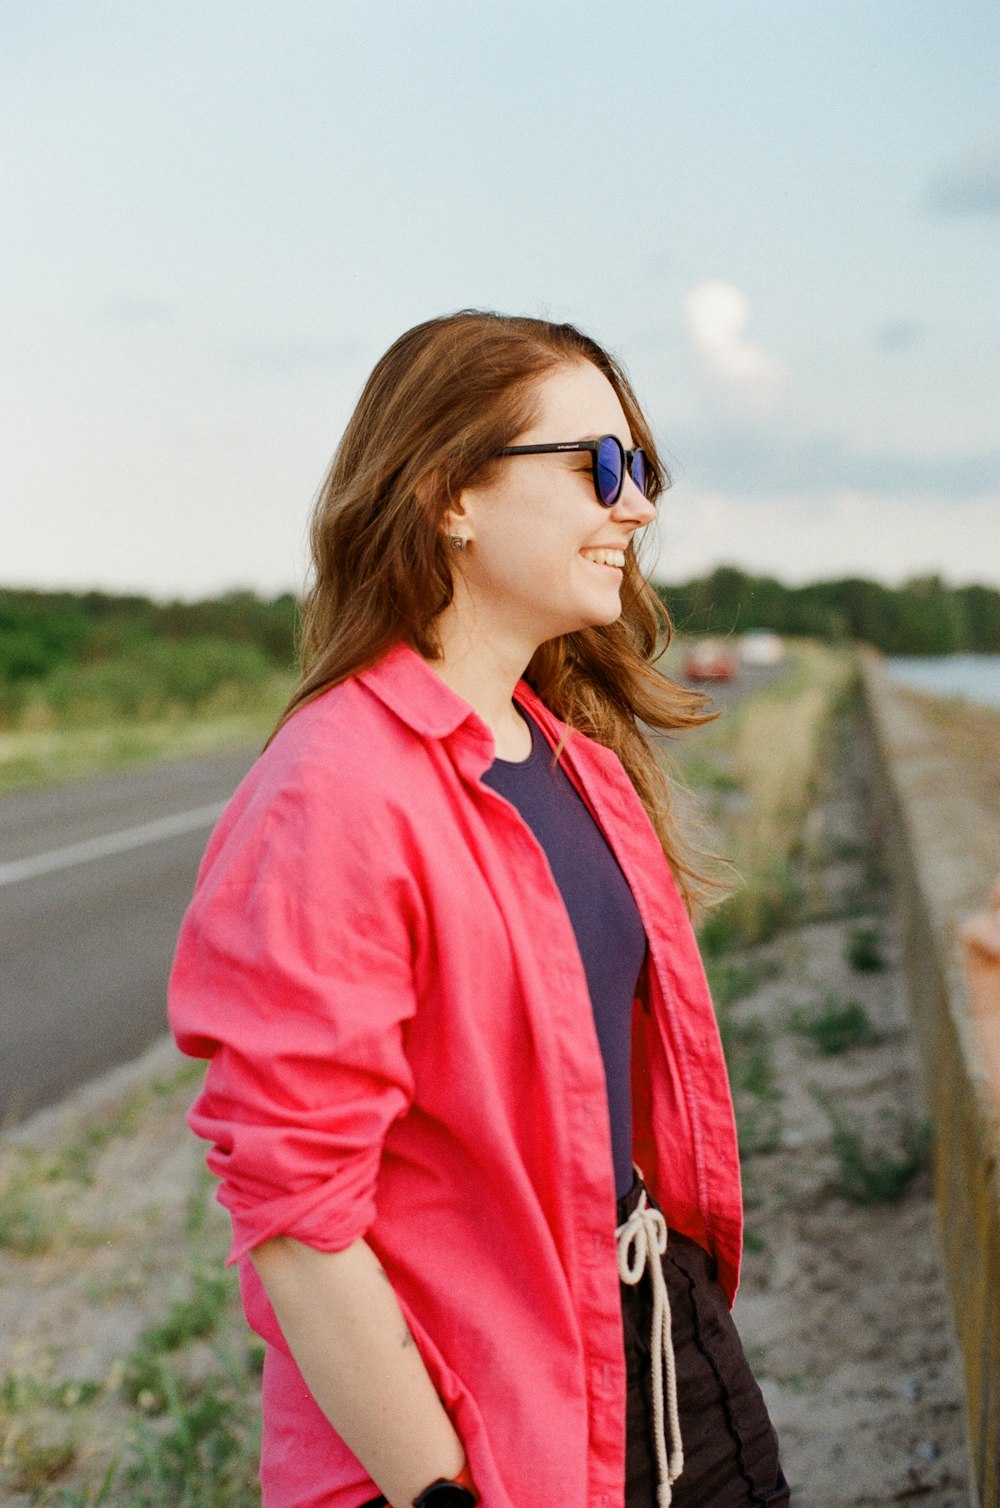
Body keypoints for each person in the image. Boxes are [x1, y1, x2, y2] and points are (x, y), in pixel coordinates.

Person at [168, 310, 789, 1508]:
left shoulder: (572, 762)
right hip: (480, 1436)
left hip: (655, 1350)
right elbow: (299, 1223)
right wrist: (440, 1491)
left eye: (643, 469)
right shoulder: (332, 792)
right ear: (452, 493)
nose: (637, 506)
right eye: (600, 466)